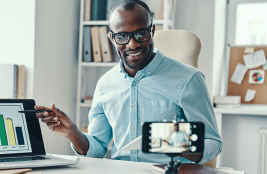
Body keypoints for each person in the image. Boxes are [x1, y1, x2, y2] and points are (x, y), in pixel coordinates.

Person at [35, 0, 222, 164]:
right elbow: (98, 148)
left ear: (152, 31)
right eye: (122, 36)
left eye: (141, 34)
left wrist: (172, 141)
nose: (132, 44)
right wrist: (72, 132)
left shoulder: (189, 79)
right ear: (112, 38)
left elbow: (213, 143)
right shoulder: (105, 84)